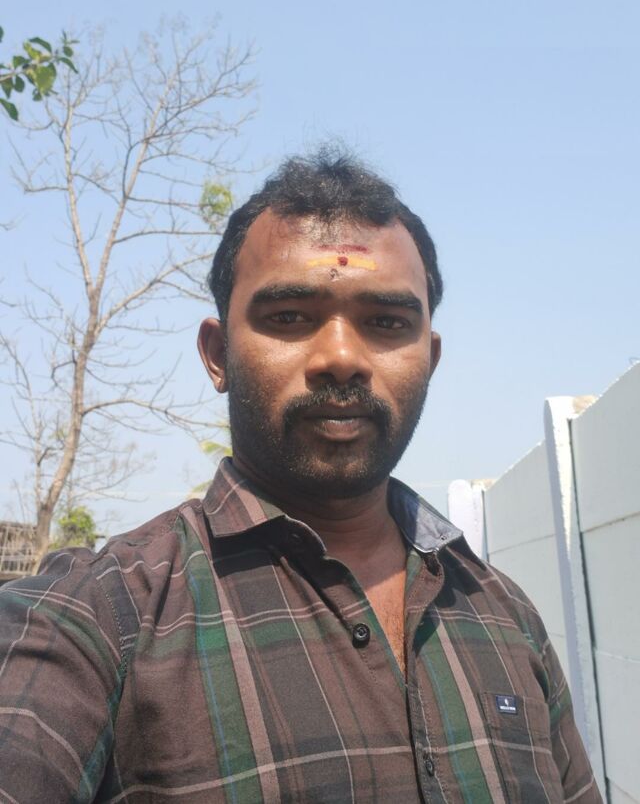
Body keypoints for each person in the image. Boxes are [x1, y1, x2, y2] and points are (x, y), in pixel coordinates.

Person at [0, 152, 601, 803]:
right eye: (288, 316)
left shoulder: (505, 613)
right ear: (217, 354)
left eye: (387, 322)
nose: (341, 358)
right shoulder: (96, 619)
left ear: (429, 359)